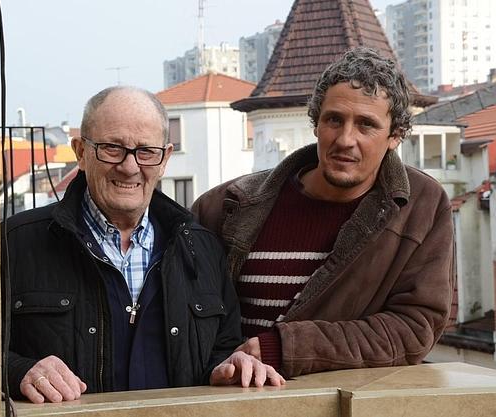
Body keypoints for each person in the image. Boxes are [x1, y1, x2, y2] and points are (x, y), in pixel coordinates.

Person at [3, 86, 284, 404]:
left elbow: (221, 352)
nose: (130, 166)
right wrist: (18, 372)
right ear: (81, 152)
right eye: (112, 148)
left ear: (165, 159)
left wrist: (232, 366)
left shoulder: (203, 249)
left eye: (146, 151)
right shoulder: (14, 244)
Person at [192, 47, 454, 377]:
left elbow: (414, 329)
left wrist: (285, 348)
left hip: (337, 401)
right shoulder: (223, 206)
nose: (345, 139)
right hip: (228, 397)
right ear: (316, 124)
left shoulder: (422, 206)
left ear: (395, 136)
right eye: (334, 120)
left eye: (366, 125)